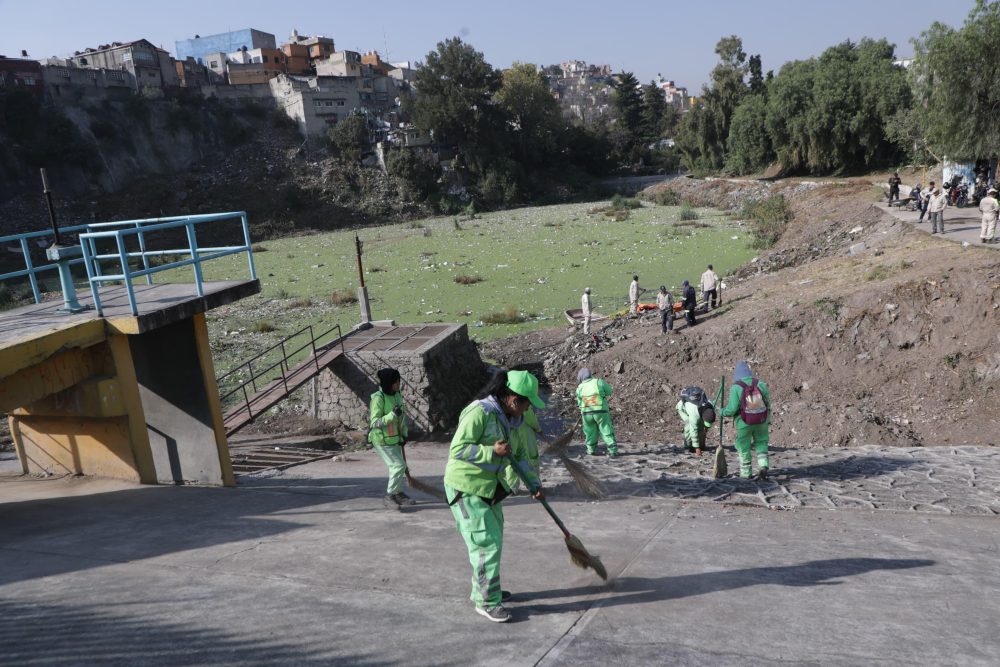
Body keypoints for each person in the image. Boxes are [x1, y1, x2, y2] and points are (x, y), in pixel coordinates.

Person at [444, 369, 544, 623]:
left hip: (490, 490)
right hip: (466, 488)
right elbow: (458, 449)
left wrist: (534, 484)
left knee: (493, 541)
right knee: (485, 544)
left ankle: (488, 589)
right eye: (527, 402)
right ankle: (486, 601)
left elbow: (520, 457)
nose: (529, 408)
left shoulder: (513, 421)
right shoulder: (480, 412)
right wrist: (491, 451)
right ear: (512, 398)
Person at [369, 368, 413, 509]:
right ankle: (390, 496)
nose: (398, 384)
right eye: (396, 382)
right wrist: (391, 416)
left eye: (399, 381)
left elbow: (401, 418)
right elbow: (374, 422)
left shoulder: (397, 395)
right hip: (381, 440)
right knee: (398, 466)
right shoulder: (378, 398)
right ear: (388, 383)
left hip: (394, 439)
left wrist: (404, 434)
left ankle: (398, 493)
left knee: (398, 467)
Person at [720, 360, 771, 479]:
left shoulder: (736, 387)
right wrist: (768, 419)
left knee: (743, 446)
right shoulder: (760, 384)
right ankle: (763, 465)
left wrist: (721, 411)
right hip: (762, 420)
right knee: (761, 442)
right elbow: (768, 404)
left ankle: (746, 473)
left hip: (744, 422)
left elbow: (731, 409)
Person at [575, 368, 618, 457]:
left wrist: (582, 408)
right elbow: (609, 391)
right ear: (590, 374)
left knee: (590, 432)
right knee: (605, 429)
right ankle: (612, 450)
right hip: (601, 411)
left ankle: (590, 450)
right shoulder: (599, 382)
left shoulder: (579, 387)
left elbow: (579, 402)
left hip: (586, 413)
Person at [503, 406, 543, 494]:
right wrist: (538, 429)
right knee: (530, 457)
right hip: (524, 434)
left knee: (511, 459)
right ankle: (535, 485)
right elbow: (530, 417)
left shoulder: (508, 405)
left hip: (510, 434)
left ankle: (512, 486)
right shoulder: (524, 404)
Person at [676, 387, 716, 456]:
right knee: (689, 427)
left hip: (698, 411)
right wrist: (697, 448)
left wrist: (705, 427)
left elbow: (708, 420)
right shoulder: (694, 413)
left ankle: (700, 445)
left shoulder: (710, 406)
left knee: (700, 427)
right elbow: (693, 430)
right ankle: (687, 446)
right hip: (683, 409)